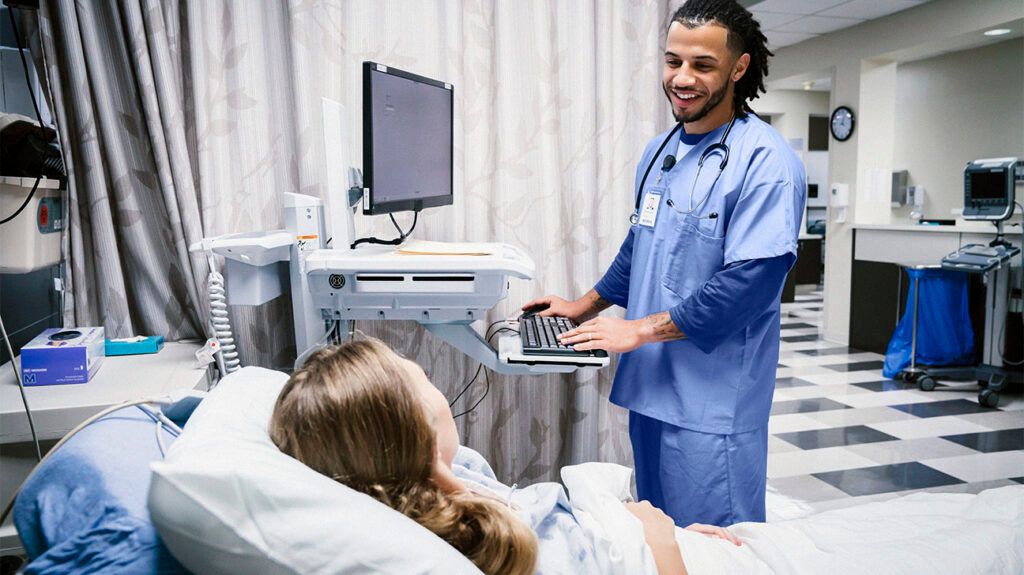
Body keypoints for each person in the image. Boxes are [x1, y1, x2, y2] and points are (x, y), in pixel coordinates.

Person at [523, 0, 805, 528]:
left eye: (702, 65)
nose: (682, 78)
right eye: (673, 61)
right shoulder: (663, 150)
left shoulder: (766, 162)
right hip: (655, 389)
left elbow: (752, 283)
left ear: (739, 69)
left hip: (712, 403)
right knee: (662, 536)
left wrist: (639, 330)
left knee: (715, 548)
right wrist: (582, 306)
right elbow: (643, 246)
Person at [269, 339, 741, 575]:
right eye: (418, 375)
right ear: (423, 427)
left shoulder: (454, 481)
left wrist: (655, 530)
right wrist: (661, 540)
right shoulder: (502, 548)